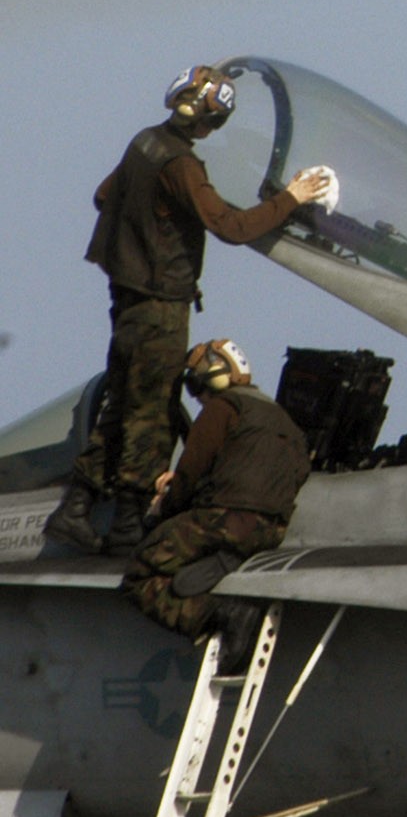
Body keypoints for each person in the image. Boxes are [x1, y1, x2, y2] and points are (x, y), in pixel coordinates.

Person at [44, 66, 328, 555]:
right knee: (151, 414)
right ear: (211, 121)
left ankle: (75, 510)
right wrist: (291, 199)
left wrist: (150, 223)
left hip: (126, 298)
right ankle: (129, 527)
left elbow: (104, 195)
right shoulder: (182, 166)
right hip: (159, 305)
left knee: (123, 405)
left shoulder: (145, 144)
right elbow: (233, 227)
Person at [121, 339, 311, 667]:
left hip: (223, 522)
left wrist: (163, 507)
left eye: (196, 385)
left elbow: (190, 473)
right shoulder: (286, 423)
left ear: (211, 379)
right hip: (270, 532)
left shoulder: (222, 409)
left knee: (141, 572)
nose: (197, 398)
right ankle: (222, 561)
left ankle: (218, 612)